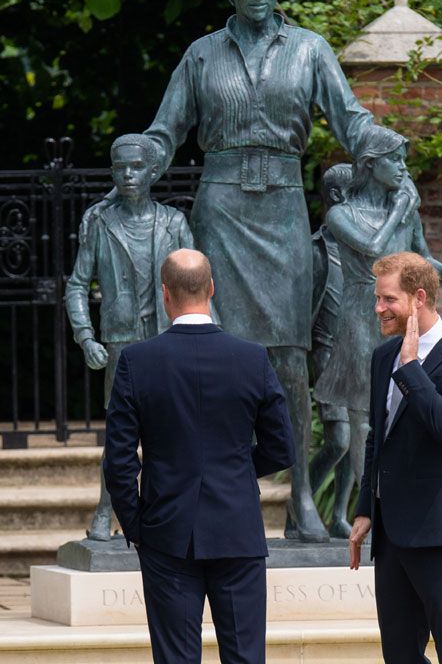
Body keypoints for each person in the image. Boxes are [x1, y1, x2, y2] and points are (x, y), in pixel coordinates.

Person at [135, 0, 418, 542]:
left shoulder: (311, 50)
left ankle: (300, 503)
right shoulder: (202, 55)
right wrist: (137, 169)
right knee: (214, 353)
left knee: (290, 358)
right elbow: (165, 132)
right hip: (222, 208)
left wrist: (392, 152)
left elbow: (351, 121)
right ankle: (216, 490)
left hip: (285, 212)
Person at [104, 249, 295, 664]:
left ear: (165, 294)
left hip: (166, 530)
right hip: (237, 527)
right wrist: (238, 473)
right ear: (211, 289)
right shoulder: (252, 357)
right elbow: (282, 446)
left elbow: (118, 460)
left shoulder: (136, 362)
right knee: (245, 657)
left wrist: (138, 525)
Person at [349, 252, 442, 664]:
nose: (379, 308)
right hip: (391, 536)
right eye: (378, 298)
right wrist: (364, 509)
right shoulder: (382, 357)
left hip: (441, 532)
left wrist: (411, 367)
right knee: (399, 655)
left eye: (388, 299)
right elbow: (378, 436)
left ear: (419, 298)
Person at [313, 126, 442, 491]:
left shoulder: (406, 212)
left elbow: (422, 257)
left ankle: (402, 492)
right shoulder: (342, 213)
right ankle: (373, 499)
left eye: (403, 159)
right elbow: (372, 247)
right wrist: (400, 208)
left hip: (406, 317)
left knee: (409, 402)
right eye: (394, 159)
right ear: (370, 164)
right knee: (365, 414)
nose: (402, 168)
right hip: (362, 313)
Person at [65, 133, 195, 541]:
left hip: (168, 340)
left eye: (136, 166)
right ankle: (107, 510)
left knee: (171, 432)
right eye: (119, 167)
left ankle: (162, 514)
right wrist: (86, 337)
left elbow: (198, 284)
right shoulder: (99, 222)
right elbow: (76, 285)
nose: (127, 174)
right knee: (120, 437)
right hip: (121, 342)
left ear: (153, 171)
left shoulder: (174, 222)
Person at [309, 163, 354, 538]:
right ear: (338, 197)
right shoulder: (314, 251)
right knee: (339, 439)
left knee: (355, 438)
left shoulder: (362, 249)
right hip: (326, 356)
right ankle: (302, 503)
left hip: (359, 353)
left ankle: (339, 515)